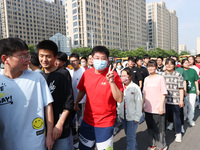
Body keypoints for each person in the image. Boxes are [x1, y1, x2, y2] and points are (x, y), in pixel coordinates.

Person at [0, 38, 54, 150]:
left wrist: (49, 135)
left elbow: (48, 105)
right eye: (22, 56)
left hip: (35, 143)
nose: (27, 60)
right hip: (7, 143)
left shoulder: (37, 78)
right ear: (5, 59)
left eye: (27, 55)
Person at [74, 46, 123, 150]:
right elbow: (82, 90)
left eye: (103, 58)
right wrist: (76, 103)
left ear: (108, 60)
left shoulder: (113, 75)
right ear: (91, 59)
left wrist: (111, 82)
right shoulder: (87, 73)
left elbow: (119, 99)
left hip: (105, 123)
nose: (100, 61)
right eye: (97, 58)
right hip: (87, 121)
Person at [37, 40, 74, 150]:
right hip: (43, 128)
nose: (44, 60)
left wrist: (59, 124)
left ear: (55, 57)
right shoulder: (39, 76)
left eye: (48, 56)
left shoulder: (63, 74)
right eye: (41, 56)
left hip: (61, 127)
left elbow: (69, 101)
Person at [142, 60, 167, 150]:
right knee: (150, 127)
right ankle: (152, 144)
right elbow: (144, 93)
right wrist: (142, 105)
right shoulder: (146, 79)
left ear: (156, 67)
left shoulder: (160, 78)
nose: (151, 68)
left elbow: (163, 93)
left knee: (160, 129)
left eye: (153, 66)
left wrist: (161, 106)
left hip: (158, 108)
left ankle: (162, 145)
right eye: (149, 66)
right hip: (148, 108)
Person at [118, 68, 142, 150]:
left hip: (132, 117)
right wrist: (119, 113)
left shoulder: (135, 87)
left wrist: (137, 117)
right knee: (129, 135)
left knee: (130, 138)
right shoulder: (119, 87)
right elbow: (118, 101)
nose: (123, 77)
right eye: (121, 76)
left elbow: (139, 103)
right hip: (123, 115)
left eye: (125, 75)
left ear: (130, 76)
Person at [161, 58, 184, 142]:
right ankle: (163, 134)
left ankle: (178, 133)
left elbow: (181, 88)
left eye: (171, 64)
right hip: (164, 101)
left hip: (175, 100)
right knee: (163, 119)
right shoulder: (162, 75)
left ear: (174, 65)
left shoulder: (178, 75)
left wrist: (181, 100)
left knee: (177, 118)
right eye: (167, 64)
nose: (169, 65)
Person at [69, 53, 86, 148]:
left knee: (81, 121)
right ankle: (75, 138)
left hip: (82, 101)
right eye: (71, 61)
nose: (73, 63)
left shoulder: (83, 71)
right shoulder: (70, 72)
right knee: (74, 121)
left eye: (74, 61)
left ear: (78, 61)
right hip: (73, 101)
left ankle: (82, 140)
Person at [182, 59, 199, 126]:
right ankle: (185, 115)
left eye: (188, 62)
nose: (187, 64)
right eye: (185, 63)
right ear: (182, 64)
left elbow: (196, 81)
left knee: (191, 105)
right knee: (184, 105)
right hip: (183, 91)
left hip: (192, 90)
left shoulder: (193, 71)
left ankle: (190, 119)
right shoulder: (180, 71)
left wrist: (197, 89)